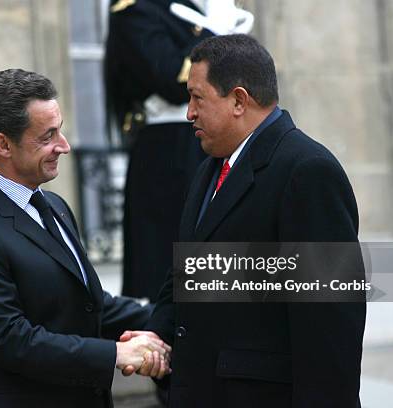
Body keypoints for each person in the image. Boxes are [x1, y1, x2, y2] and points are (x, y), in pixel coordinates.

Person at [123, 34, 366, 407]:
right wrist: (156, 335)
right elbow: (189, 274)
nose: (189, 112)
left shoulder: (307, 171)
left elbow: (330, 329)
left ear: (239, 100)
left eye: (197, 98)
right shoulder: (208, 170)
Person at [0, 68, 171, 408]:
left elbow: (91, 304)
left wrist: (170, 322)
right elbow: (12, 340)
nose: (64, 146)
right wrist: (117, 353)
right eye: (47, 136)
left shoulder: (55, 205)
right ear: (3, 144)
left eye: (60, 131)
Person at [105, 0, 252, 302]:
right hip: (170, 150)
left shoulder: (200, 8)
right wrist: (216, 36)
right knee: (165, 263)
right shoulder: (137, 8)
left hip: (219, 140)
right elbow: (171, 77)